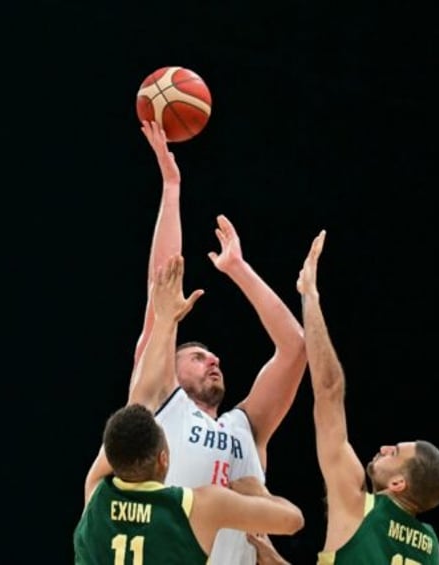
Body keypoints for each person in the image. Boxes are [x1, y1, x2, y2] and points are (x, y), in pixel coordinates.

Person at [129, 120, 308, 564]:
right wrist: (172, 188)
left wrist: (238, 269)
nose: (212, 358)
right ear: (169, 368)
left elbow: (295, 348)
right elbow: (162, 289)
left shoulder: (245, 428)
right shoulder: (159, 403)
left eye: (211, 355)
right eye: (195, 355)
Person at [296, 230, 439, 564]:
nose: (384, 448)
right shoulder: (432, 550)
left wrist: (310, 296)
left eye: (394, 452)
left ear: (397, 482)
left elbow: (329, 391)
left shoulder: (358, 505)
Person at [73, 403, 304, 564]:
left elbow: (119, 435)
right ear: (163, 459)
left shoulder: (95, 492)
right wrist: (259, 492)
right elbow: (293, 521)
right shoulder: (197, 506)